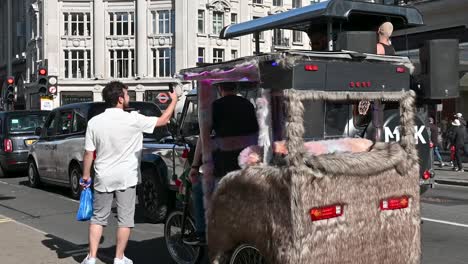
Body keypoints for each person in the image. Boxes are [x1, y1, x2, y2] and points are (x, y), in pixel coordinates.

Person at [80, 81, 178, 264]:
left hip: (103, 175)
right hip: (127, 176)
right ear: (119, 99)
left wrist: (86, 176)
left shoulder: (94, 122)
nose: (128, 98)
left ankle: (91, 257)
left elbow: (88, 153)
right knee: (125, 220)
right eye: (127, 95)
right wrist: (174, 100)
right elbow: (163, 120)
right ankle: (119, 258)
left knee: (98, 218)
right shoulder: (133, 119)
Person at [184, 82, 259, 245]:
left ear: (220, 89)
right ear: (236, 88)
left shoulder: (214, 107)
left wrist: (195, 166)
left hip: (224, 166)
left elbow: (203, 139)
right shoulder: (248, 106)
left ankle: (202, 233)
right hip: (246, 165)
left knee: (198, 189)